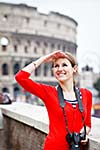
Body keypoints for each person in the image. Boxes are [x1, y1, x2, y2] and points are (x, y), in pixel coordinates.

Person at [15, 50, 92, 150]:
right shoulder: (48, 92)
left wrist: (84, 134)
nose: (60, 69)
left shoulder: (86, 94)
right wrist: (44, 59)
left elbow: (87, 124)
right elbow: (20, 78)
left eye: (64, 65)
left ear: (74, 69)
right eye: (56, 66)